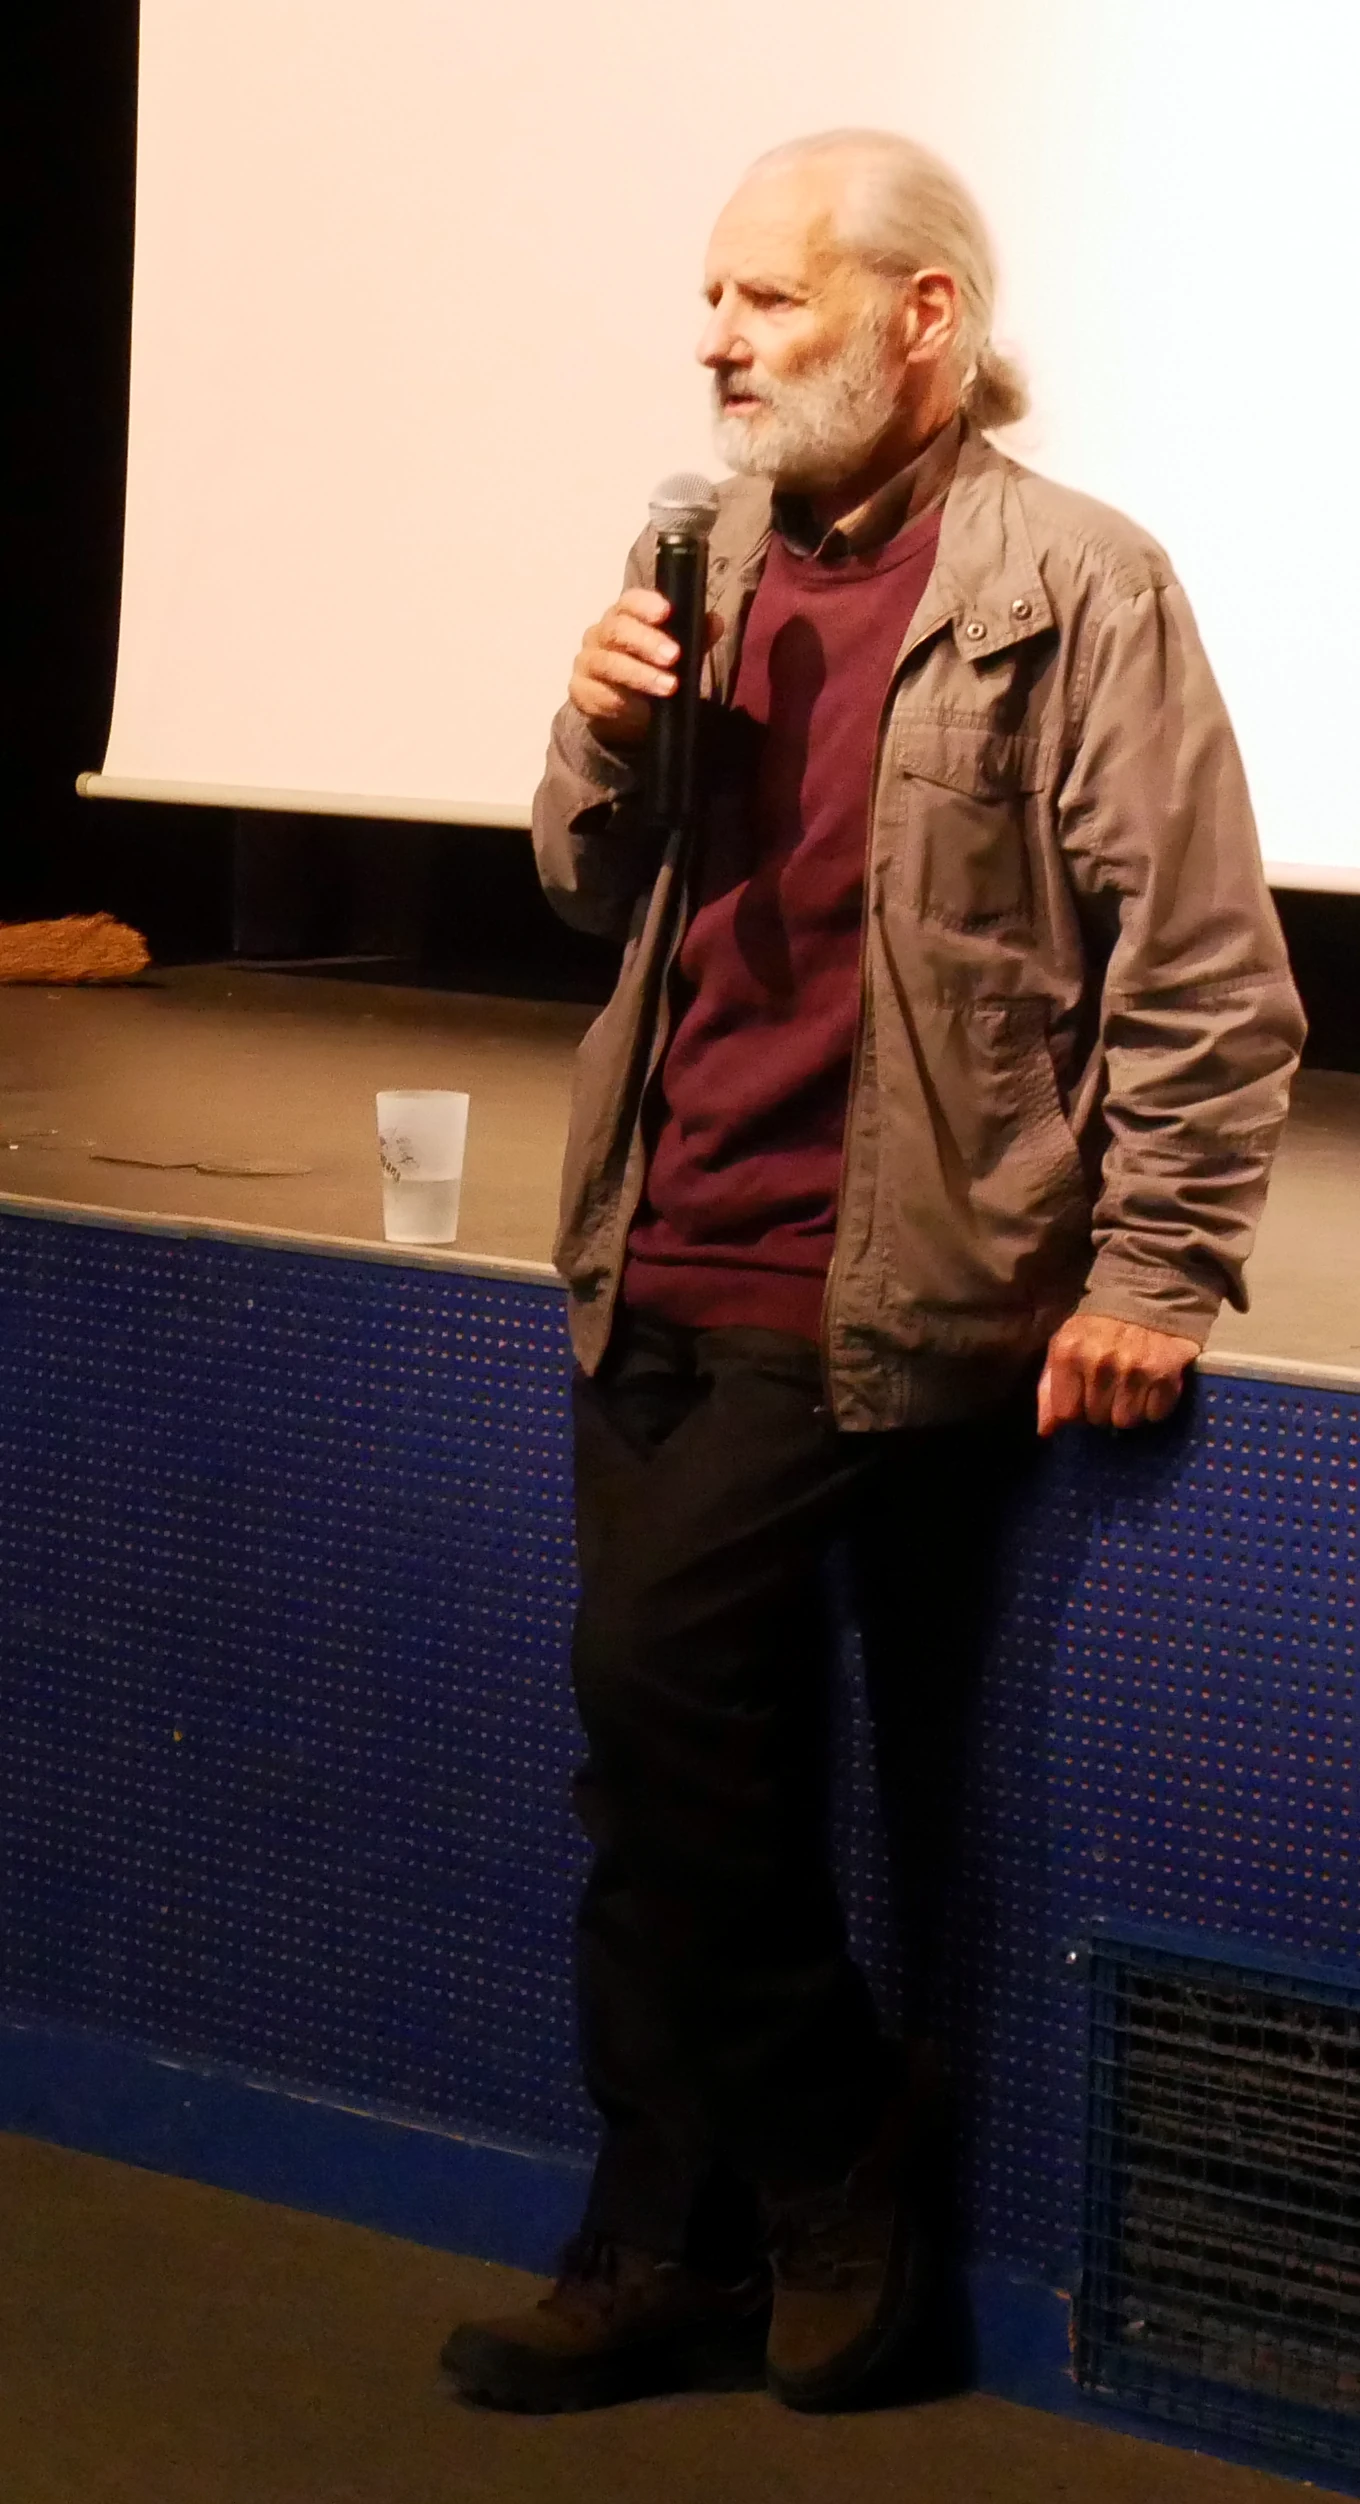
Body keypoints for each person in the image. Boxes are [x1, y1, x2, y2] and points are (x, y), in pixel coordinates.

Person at [441, 128, 1304, 2416]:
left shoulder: (1069, 581)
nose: (716, 341)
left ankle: (838, 2161)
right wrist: (595, 726)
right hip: (649, 1238)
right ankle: (662, 2239)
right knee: (646, 1779)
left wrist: (1154, 1267)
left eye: (768, 297)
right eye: (710, 300)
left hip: (869, 1274)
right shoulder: (695, 559)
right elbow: (583, 886)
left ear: (924, 317)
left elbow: (1199, 971)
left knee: (651, 1693)